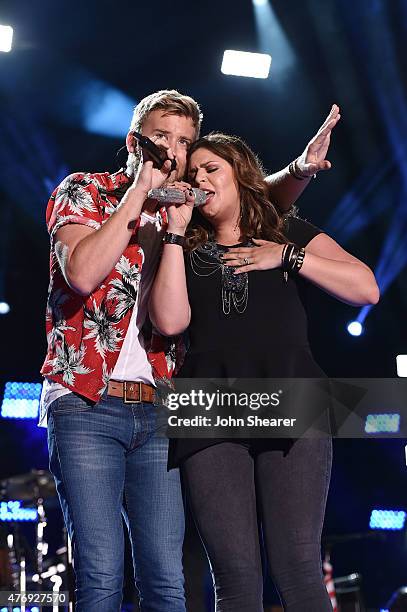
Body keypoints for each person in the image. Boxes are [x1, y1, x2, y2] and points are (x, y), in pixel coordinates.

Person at [39, 88, 340, 611]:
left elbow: (245, 195)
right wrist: (141, 192)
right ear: (136, 141)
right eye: (162, 136)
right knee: (103, 573)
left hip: (164, 406)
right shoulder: (86, 191)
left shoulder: (188, 212)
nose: (173, 150)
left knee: (166, 579)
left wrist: (300, 168)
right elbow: (83, 272)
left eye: (184, 142)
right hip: (87, 400)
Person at [149, 132, 380, 611]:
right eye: (192, 174)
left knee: (297, 568)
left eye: (212, 168)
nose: (200, 179)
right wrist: (173, 233)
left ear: (240, 174)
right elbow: (170, 322)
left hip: (293, 397)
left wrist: (288, 257)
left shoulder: (285, 230)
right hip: (208, 406)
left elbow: (366, 289)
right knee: (234, 578)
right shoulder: (180, 245)